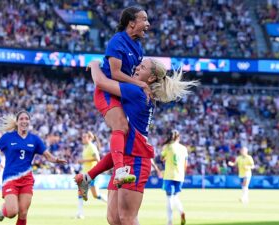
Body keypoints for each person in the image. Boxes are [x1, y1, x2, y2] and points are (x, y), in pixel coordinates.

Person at [81, 59, 199, 225]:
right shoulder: (139, 92)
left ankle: (87, 177)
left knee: (127, 218)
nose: (137, 67)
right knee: (114, 219)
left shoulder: (136, 91)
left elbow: (100, 82)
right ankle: (87, 178)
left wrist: (94, 65)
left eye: (142, 67)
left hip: (136, 160)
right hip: (126, 158)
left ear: (150, 78)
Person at [0, 110, 66, 225]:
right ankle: (3, 210)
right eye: (21, 119)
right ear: (17, 122)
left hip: (26, 179)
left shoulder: (35, 139)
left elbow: (47, 156)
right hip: (10, 179)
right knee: (12, 212)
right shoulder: (8, 137)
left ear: (29, 122)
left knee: (23, 213)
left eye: (26, 119)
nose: (24, 121)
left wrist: (56, 160)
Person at [91, 6, 151, 186]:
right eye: (144, 19)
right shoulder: (117, 41)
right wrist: (140, 84)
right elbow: (116, 73)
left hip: (121, 93)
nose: (148, 24)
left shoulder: (138, 47)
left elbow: (135, 74)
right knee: (121, 126)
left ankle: (86, 177)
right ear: (131, 23)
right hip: (107, 91)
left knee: (125, 140)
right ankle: (119, 171)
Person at [76, 131, 107, 219]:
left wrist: (83, 161)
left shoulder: (91, 147)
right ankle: (80, 213)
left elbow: (97, 158)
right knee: (95, 195)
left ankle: (80, 213)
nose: (82, 138)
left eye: (84, 137)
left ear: (89, 138)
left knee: (82, 192)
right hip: (86, 173)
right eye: (82, 137)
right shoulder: (85, 147)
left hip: (91, 173)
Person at [160, 130, 188, 225]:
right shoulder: (184, 148)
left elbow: (162, 159)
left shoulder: (167, 147)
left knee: (169, 199)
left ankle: (170, 222)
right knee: (175, 197)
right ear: (178, 137)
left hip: (169, 175)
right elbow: (185, 164)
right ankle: (181, 211)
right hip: (180, 176)